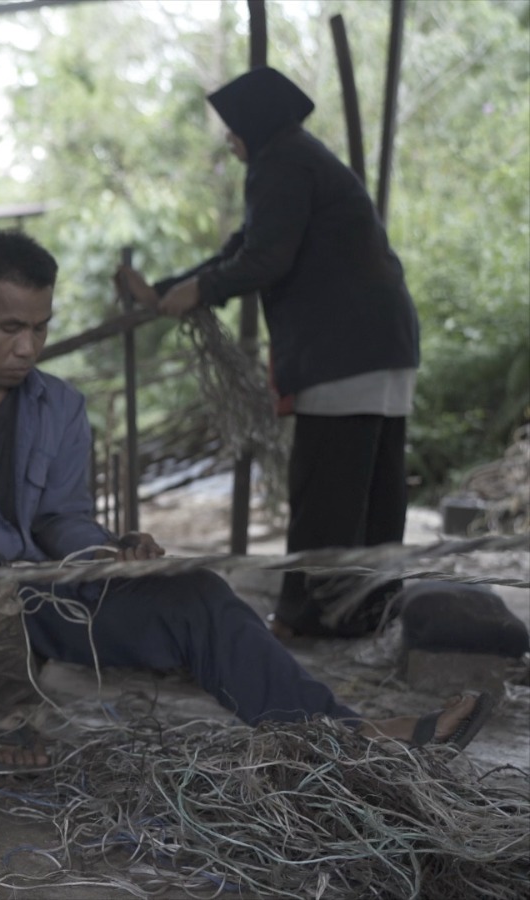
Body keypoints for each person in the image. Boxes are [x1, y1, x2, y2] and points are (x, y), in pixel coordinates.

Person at [0, 229, 488, 767]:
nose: (29, 346)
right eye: (11, 328)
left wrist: (107, 550)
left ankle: (346, 736)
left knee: (197, 593)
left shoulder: (61, 408)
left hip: (37, 594)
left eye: (40, 327)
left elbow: (61, 519)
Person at [118, 67, 420, 640]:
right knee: (374, 489)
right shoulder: (301, 157)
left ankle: (305, 619)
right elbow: (245, 247)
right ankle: (370, 611)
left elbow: (266, 261)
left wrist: (200, 291)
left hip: (343, 345)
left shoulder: (278, 163)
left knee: (325, 488)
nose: (230, 139)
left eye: (233, 129)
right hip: (383, 337)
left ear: (254, 125)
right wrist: (168, 290)